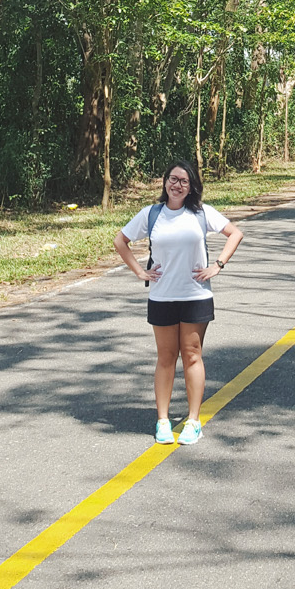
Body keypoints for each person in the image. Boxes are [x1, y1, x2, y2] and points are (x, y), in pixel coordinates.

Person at [114, 159, 244, 446]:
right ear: (165, 182)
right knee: (165, 357)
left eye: (184, 181)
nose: (177, 185)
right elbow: (120, 241)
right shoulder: (151, 214)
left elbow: (235, 233)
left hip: (196, 295)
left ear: (191, 186)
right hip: (161, 296)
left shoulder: (201, 213)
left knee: (192, 355)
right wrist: (139, 271)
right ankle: (162, 420)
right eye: (173, 179)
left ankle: (193, 421)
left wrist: (218, 265)